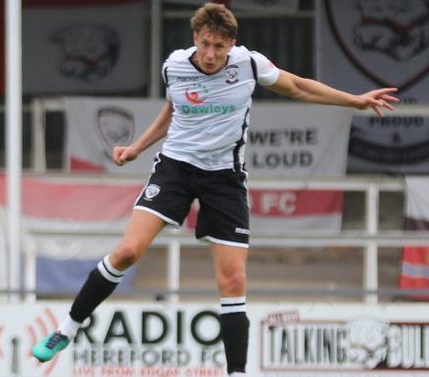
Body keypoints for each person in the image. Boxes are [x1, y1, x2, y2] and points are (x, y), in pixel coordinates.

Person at [31, 3, 398, 376]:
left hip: (225, 178)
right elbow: (174, 110)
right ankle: (67, 329)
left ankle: (236, 373)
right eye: (205, 44)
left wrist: (355, 101)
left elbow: (299, 87)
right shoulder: (174, 65)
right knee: (127, 251)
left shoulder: (250, 65)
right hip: (175, 169)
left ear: (231, 45)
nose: (210, 54)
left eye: (219, 47)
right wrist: (138, 147)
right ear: (195, 38)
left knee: (233, 280)